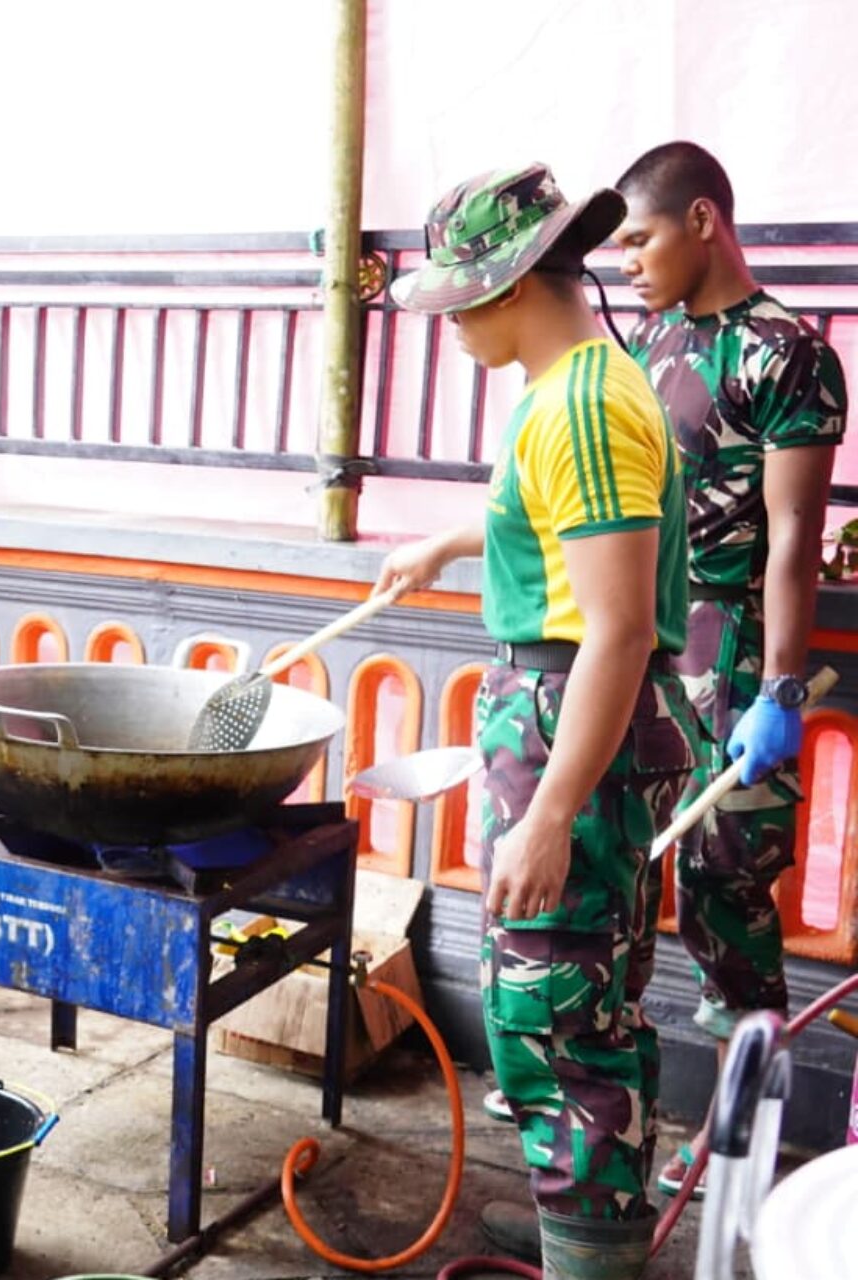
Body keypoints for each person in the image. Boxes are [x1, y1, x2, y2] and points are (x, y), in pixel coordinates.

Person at [375, 163, 696, 1280]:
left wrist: (550, 809)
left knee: (555, 1020)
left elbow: (613, 629)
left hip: (575, 719)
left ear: (510, 283)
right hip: (559, 708)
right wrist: (451, 544)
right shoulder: (570, 382)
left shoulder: (584, 406)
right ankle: (586, 1224)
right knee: (580, 1001)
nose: (451, 322)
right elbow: (549, 521)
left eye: (459, 298)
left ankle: (590, 1252)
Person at [611, 140, 845, 1199]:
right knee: (619, 876)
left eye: (639, 236)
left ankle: (730, 1148)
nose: (625, 260)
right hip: (642, 648)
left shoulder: (786, 353)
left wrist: (780, 689)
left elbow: (794, 532)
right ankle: (604, 1112)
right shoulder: (649, 338)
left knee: (726, 903)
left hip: (738, 656)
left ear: (702, 219)